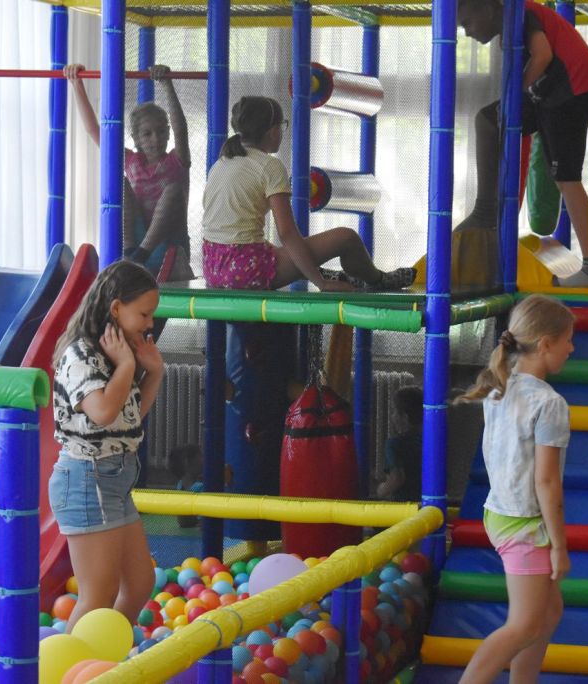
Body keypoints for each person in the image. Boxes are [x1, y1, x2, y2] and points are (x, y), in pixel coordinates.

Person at [456, 294, 574, 683]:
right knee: (524, 625)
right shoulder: (549, 403)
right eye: (568, 340)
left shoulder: (499, 388)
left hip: (499, 513)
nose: (572, 348)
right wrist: (558, 546)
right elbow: (546, 481)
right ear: (545, 344)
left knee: (548, 612)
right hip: (523, 523)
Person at [458, 0, 588, 288]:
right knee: (488, 120)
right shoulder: (510, 26)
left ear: (487, 9)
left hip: (573, 91)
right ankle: (485, 209)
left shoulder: (520, 12)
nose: (467, 33)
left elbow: (543, 55)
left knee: (567, 179)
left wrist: (514, 96)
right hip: (555, 95)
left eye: (467, 23)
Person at [50, 260, 164, 631]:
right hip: (87, 478)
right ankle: (75, 661)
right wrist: (127, 366)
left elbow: (128, 418)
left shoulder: (113, 354)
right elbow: (101, 412)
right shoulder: (81, 354)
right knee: (97, 596)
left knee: (139, 584)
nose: (150, 323)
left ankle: (105, 655)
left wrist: (154, 372)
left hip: (114, 479)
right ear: (116, 308)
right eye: (144, 314)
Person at [201, 96, 416, 292]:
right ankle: (377, 280)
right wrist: (321, 284)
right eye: (282, 126)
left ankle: (334, 275)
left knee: (277, 250)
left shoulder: (222, 162)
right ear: (273, 131)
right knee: (347, 237)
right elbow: (287, 233)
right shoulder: (269, 166)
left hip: (213, 266)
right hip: (243, 271)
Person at [66, 63, 194, 282]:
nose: (156, 138)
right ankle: (128, 251)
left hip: (169, 245)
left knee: (173, 190)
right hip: (136, 241)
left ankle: (139, 254)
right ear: (136, 138)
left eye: (161, 131)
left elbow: (181, 129)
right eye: (147, 134)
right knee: (121, 182)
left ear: (168, 133)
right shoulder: (132, 162)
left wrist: (167, 85)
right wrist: (76, 84)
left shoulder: (176, 161)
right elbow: (94, 130)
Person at [376, 385, 423, 502]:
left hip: (404, 505)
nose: (392, 416)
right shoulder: (429, 442)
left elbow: (397, 478)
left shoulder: (395, 444)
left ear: (404, 417)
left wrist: (380, 490)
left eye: (394, 411)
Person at [168, 444, 203, 528]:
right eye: (200, 456)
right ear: (188, 462)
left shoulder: (180, 485)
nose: (203, 460)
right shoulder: (200, 487)